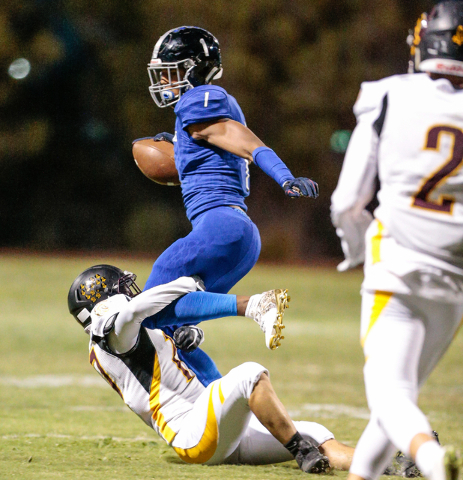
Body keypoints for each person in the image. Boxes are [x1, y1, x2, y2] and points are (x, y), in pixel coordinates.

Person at [135, 26, 319, 385]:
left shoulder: (200, 99)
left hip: (221, 227)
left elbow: (247, 143)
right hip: (237, 234)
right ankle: (220, 407)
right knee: (171, 328)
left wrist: (285, 177)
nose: (166, 82)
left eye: (172, 72)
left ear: (195, 68)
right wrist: (176, 145)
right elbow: (211, 151)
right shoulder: (193, 118)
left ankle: (254, 304)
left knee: (147, 307)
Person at [331, 3, 463, 480]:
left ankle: (433, 461)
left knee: (390, 397)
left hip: (398, 263)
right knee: (395, 404)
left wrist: (357, 251)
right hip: (454, 282)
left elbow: (347, 201)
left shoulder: (389, 96)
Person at [66, 264, 353, 473]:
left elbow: (163, 358)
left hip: (218, 428)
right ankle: (301, 452)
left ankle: (385, 463)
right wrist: (185, 284)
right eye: (121, 289)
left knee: (315, 432)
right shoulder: (111, 337)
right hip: (192, 435)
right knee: (249, 374)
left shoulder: (123, 335)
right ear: (102, 301)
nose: (130, 292)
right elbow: (130, 312)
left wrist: (188, 338)